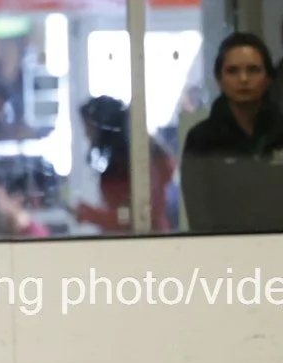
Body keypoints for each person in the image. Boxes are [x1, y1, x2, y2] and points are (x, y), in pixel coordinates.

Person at [180, 32, 283, 234]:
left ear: (268, 79)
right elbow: (199, 215)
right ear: (219, 79)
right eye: (233, 71)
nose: (243, 79)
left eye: (253, 70)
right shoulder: (202, 139)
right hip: (223, 248)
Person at [76, 95, 175, 233]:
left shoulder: (135, 165)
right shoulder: (130, 161)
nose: (87, 134)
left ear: (104, 127)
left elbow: (133, 217)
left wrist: (92, 215)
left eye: (89, 128)